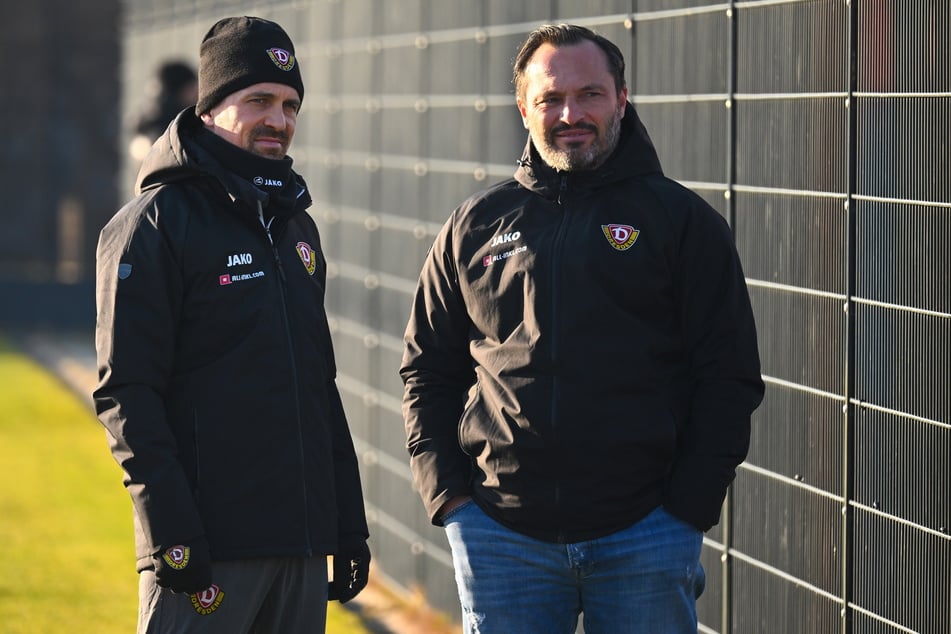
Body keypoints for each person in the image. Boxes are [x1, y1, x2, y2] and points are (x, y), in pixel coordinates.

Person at [400, 23, 764, 633]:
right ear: (524, 108)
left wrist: (687, 509)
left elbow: (728, 375)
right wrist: (449, 497)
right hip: (500, 536)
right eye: (550, 98)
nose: (571, 114)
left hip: (645, 534)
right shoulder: (474, 225)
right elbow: (427, 366)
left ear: (622, 98)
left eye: (590, 95)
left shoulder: (681, 222)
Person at [94, 16, 370, 633]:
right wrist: (171, 535)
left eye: (291, 104)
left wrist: (346, 525)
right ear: (212, 107)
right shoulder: (153, 224)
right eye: (259, 101)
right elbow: (126, 394)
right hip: (207, 553)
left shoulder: (296, 226)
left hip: (299, 551)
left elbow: (318, 389)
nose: (279, 118)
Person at [127, 61, 199, 162]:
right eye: (192, 88)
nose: (197, 94)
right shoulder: (165, 129)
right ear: (180, 91)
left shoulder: (148, 121)